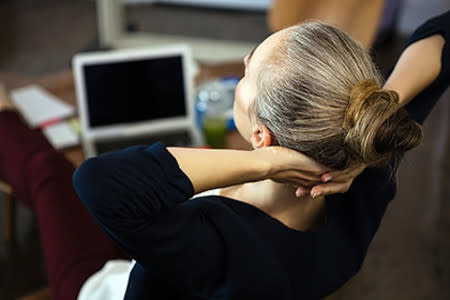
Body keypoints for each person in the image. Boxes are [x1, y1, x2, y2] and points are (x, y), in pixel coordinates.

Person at [0, 10, 448, 300]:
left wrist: (266, 163)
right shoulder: (368, 164)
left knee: (48, 173)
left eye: (249, 69)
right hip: (157, 245)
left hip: (106, 290)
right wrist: (386, 100)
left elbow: (97, 184)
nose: (247, 59)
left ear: (261, 136)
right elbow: (440, 32)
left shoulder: (224, 245)